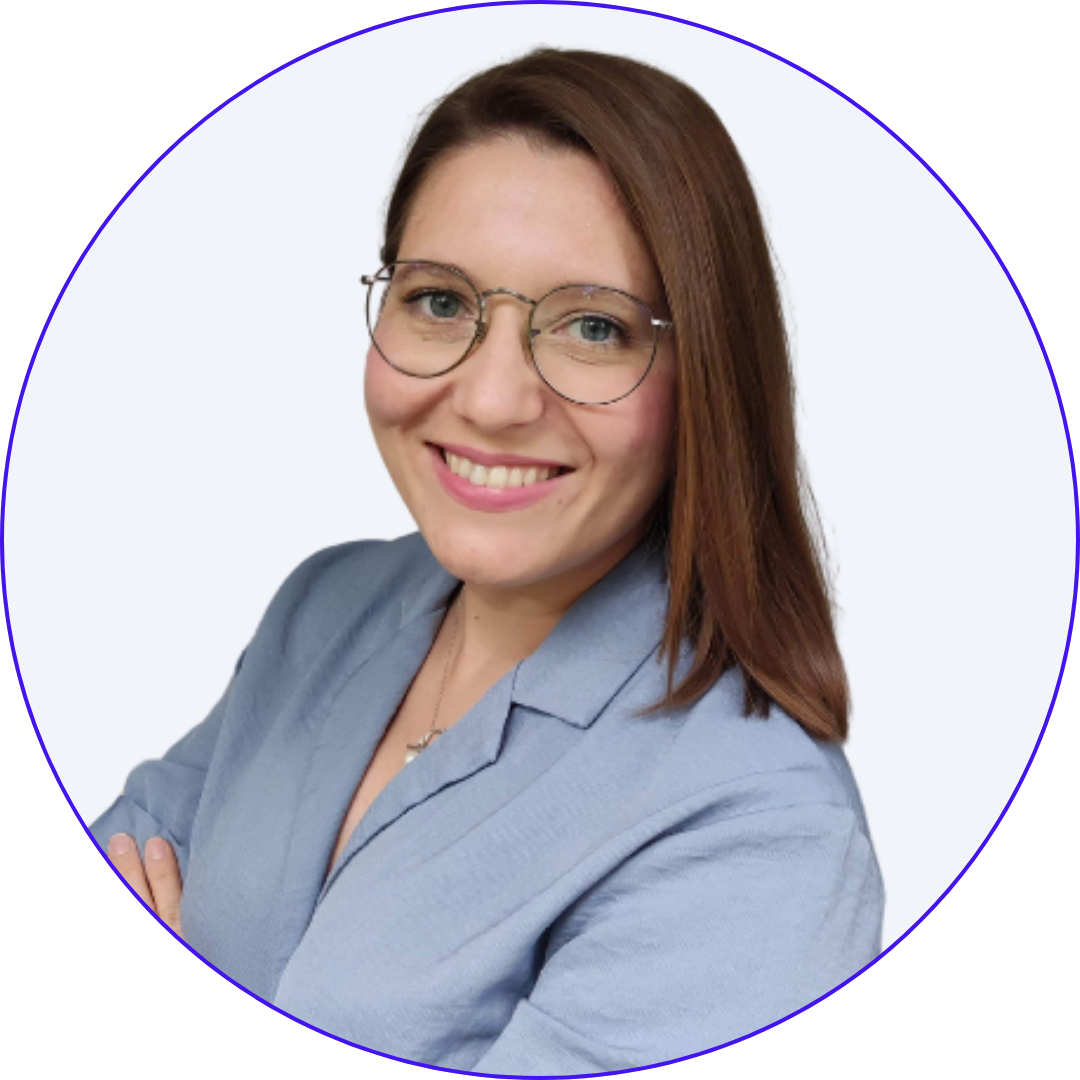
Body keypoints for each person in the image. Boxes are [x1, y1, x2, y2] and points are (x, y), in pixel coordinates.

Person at [91, 48, 884, 1071]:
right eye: (440, 302)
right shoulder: (325, 608)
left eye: (592, 327)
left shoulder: (759, 828)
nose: (493, 399)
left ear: (708, 377)